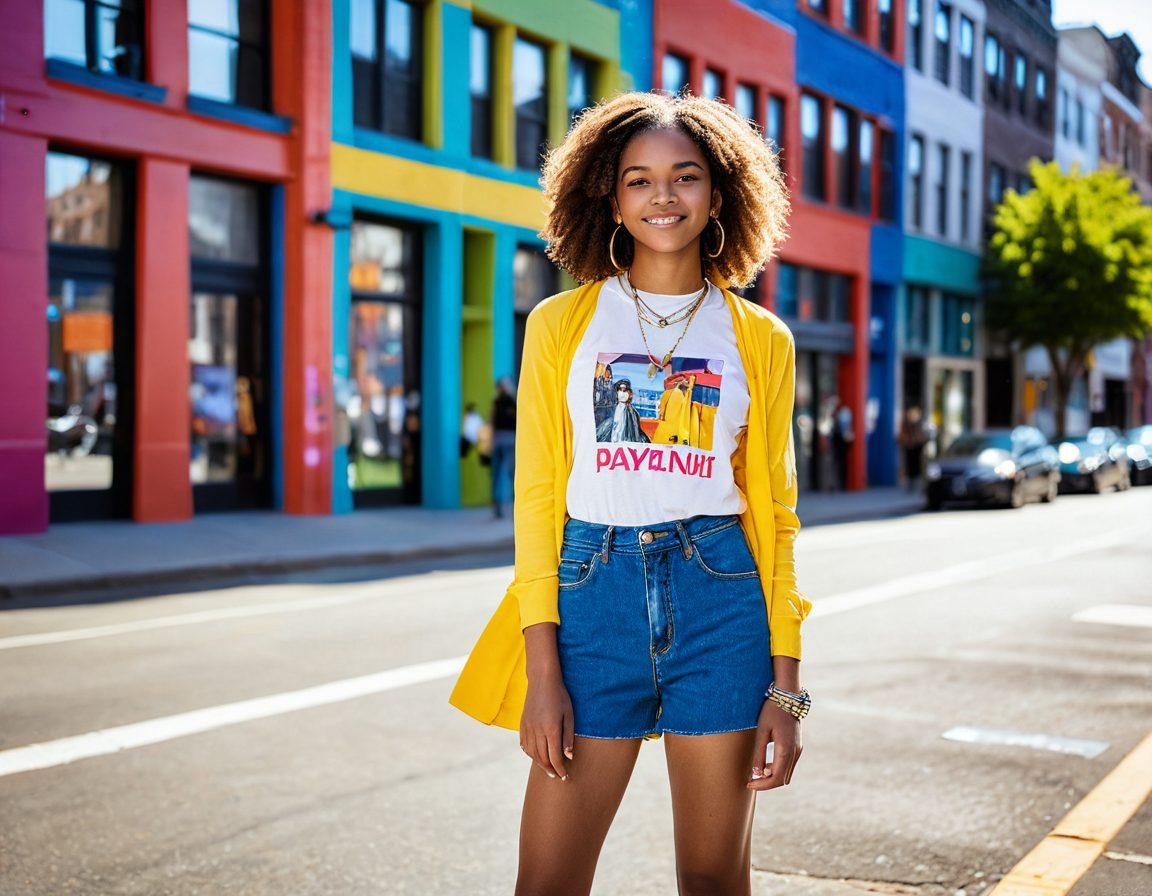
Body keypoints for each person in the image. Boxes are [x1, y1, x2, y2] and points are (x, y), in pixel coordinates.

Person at [448, 90, 813, 895]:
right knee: (546, 882)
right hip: (592, 597)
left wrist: (788, 691)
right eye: (639, 180)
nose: (664, 198)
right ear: (609, 198)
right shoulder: (560, 324)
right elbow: (538, 499)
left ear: (719, 194)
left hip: (720, 598)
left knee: (713, 878)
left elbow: (778, 519)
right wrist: (543, 674)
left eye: (685, 178)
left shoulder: (760, 341)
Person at [490, 376, 517, 518]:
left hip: (500, 439)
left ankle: (500, 506)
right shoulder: (512, 401)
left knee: (499, 474)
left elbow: (492, 420)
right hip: (509, 440)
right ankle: (511, 505)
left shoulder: (497, 401)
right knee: (511, 473)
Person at [898, 404, 929, 492]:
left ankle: (917, 484)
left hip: (917, 447)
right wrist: (906, 441)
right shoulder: (907, 425)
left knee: (917, 465)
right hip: (909, 448)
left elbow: (922, 437)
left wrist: (918, 441)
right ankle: (911, 485)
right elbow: (902, 437)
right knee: (910, 466)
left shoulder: (919, 425)